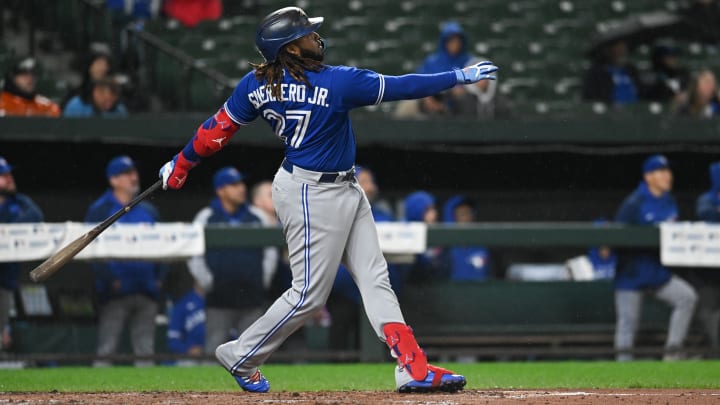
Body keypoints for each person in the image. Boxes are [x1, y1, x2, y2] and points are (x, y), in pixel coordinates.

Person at [159, 6, 496, 393]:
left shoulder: (256, 83)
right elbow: (403, 86)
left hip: (341, 187)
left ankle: (411, 366)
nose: (315, 38)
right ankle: (242, 354)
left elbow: (216, 130)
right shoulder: (337, 82)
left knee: (374, 277)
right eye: (306, 35)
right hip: (310, 191)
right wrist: (458, 76)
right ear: (291, 48)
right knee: (308, 293)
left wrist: (181, 163)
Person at [614, 155, 698, 361]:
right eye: (662, 171)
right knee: (628, 323)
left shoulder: (669, 201)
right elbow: (615, 237)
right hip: (632, 273)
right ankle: (621, 373)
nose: (668, 176)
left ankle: (672, 355)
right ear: (649, 176)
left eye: (668, 171)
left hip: (657, 272)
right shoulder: (634, 202)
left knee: (687, 297)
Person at [87, 155, 164, 366]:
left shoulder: (148, 210)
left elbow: (164, 246)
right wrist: (110, 280)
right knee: (107, 349)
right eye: (127, 174)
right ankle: (93, 397)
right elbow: (90, 250)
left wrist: (158, 279)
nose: (133, 177)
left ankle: (151, 398)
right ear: (113, 180)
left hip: (146, 290)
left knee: (145, 350)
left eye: (134, 172)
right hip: (114, 293)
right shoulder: (100, 209)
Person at [186, 167, 265, 355]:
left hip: (252, 297)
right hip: (219, 297)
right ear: (221, 190)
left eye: (241, 183)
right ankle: (211, 386)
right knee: (214, 350)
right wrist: (208, 281)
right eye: (234, 185)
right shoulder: (206, 217)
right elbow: (193, 253)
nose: (241, 188)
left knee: (253, 353)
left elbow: (269, 252)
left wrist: (263, 278)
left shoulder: (256, 216)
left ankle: (254, 385)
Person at [327, 167, 397, 351]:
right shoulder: (331, 213)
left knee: (379, 340)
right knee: (339, 341)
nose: (370, 187)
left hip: (375, 292)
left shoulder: (383, 216)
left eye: (370, 181)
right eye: (364, 181)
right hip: (341, 293)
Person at [0, 156, 44, 351]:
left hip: (5, 281)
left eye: (9, 174)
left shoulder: (19, 202)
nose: (9, 178)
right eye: (3, 175)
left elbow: (37, 216)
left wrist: (7, 231)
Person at [694, 161, 720, 352]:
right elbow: (705, 214)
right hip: (710, 271)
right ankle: (714, 351)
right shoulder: (707, 199)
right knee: (707, 312)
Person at [442, 196, 490, 281]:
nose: (467, 217)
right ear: (452, 217)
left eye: (469, 212)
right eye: (462, 214)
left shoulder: (481, 244)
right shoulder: (445, 248)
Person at [404, 191, 448, 283]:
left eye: (433, 209)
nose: (434, 214)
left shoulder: (440, 236)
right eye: (427, 210)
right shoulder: (404, 235)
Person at [582, 40, 642, 105]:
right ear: (609, 50)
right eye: (619, 49)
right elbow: (589, 97)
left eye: (624, 48)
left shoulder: (631, 70)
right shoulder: (597, 72)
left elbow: (641, 90)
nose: (622, 52)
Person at [248, 181, 280, 291]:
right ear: (257, 201)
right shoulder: (248, 224)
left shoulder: (290, 223)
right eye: (271, 195)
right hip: (253, 290)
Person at [167, 285, 206, 357]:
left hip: (214, 354)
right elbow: (172, 340)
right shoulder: (182, 304)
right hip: (188, 356)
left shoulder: (218, 305)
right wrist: (187, 349)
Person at [63, 77, 129, 118]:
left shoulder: (119, 110)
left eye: (112, 102)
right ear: (96, 92)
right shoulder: (76, 106)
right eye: (106, 100)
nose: (108, 106)